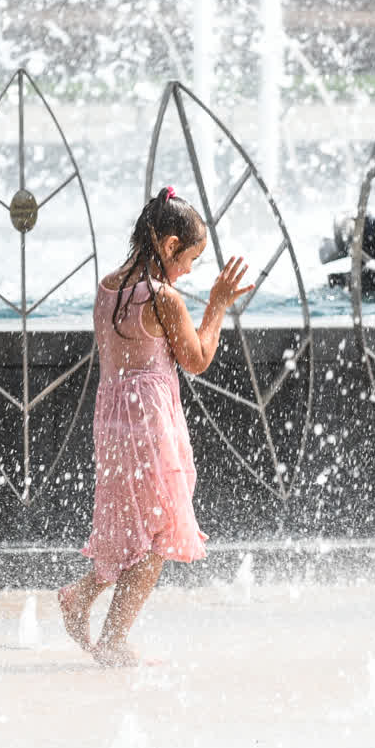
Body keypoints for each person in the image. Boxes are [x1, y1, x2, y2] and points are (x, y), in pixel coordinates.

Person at [57, 185, 253, 667]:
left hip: (112, 420)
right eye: (189, 259)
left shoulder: (107, 286)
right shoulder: (163, 298)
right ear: (167, 246)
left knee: (128, 526)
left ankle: (80, 596)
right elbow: (198, 359)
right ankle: (113, 641)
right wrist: (218, 304)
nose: (188, 270)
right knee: (159, 535)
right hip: (149, 424)